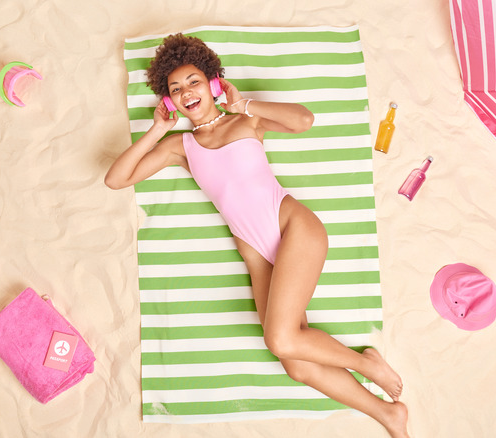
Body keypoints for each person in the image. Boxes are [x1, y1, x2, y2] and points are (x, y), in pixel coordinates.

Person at [105, 33, 409, 437]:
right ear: (169, 101)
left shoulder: (245, 120)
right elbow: (116, 178)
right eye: (175, 90)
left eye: (194, 81)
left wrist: (242, 103)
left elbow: (303, 121)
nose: (186, 93)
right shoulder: (181, 145)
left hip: (294, 229)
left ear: (213, 82)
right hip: (260, 258)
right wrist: (154, 129)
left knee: (282, 338)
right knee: (295, 363)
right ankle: (388, 414)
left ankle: (367, 363)